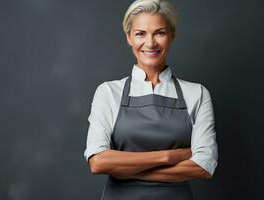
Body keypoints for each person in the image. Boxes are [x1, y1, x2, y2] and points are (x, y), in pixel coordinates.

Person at [83, 0, 218, 199]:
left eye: (160, 33)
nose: (150, 43)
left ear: (172, 35)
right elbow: (98, 162)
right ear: (129, 37)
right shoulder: (108, 92)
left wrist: (125, 169)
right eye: (140, 33)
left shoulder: (197, 93)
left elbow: (204, 166)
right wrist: (168, 156)